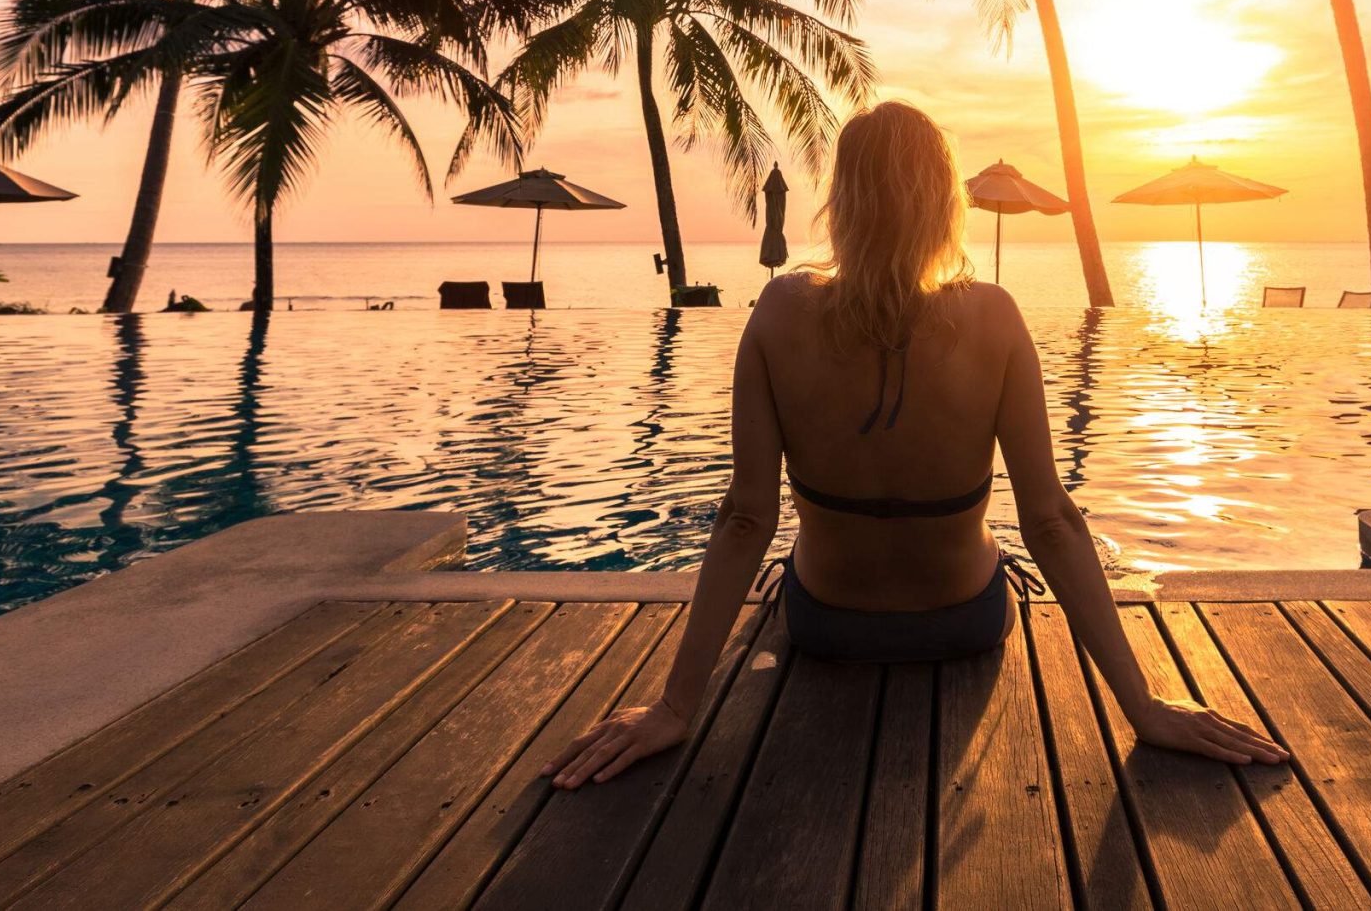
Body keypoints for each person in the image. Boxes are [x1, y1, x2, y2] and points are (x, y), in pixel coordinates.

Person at [546, 100, 1286, 789]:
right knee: (994, 541)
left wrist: (676, 707)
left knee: (786, 566)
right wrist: (1144, 707)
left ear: (843, 202)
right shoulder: (992, 316)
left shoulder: (779, 310)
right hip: (962, 620)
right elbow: (1051, 520)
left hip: (824, 622)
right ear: (944, 205)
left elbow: (746, 517)